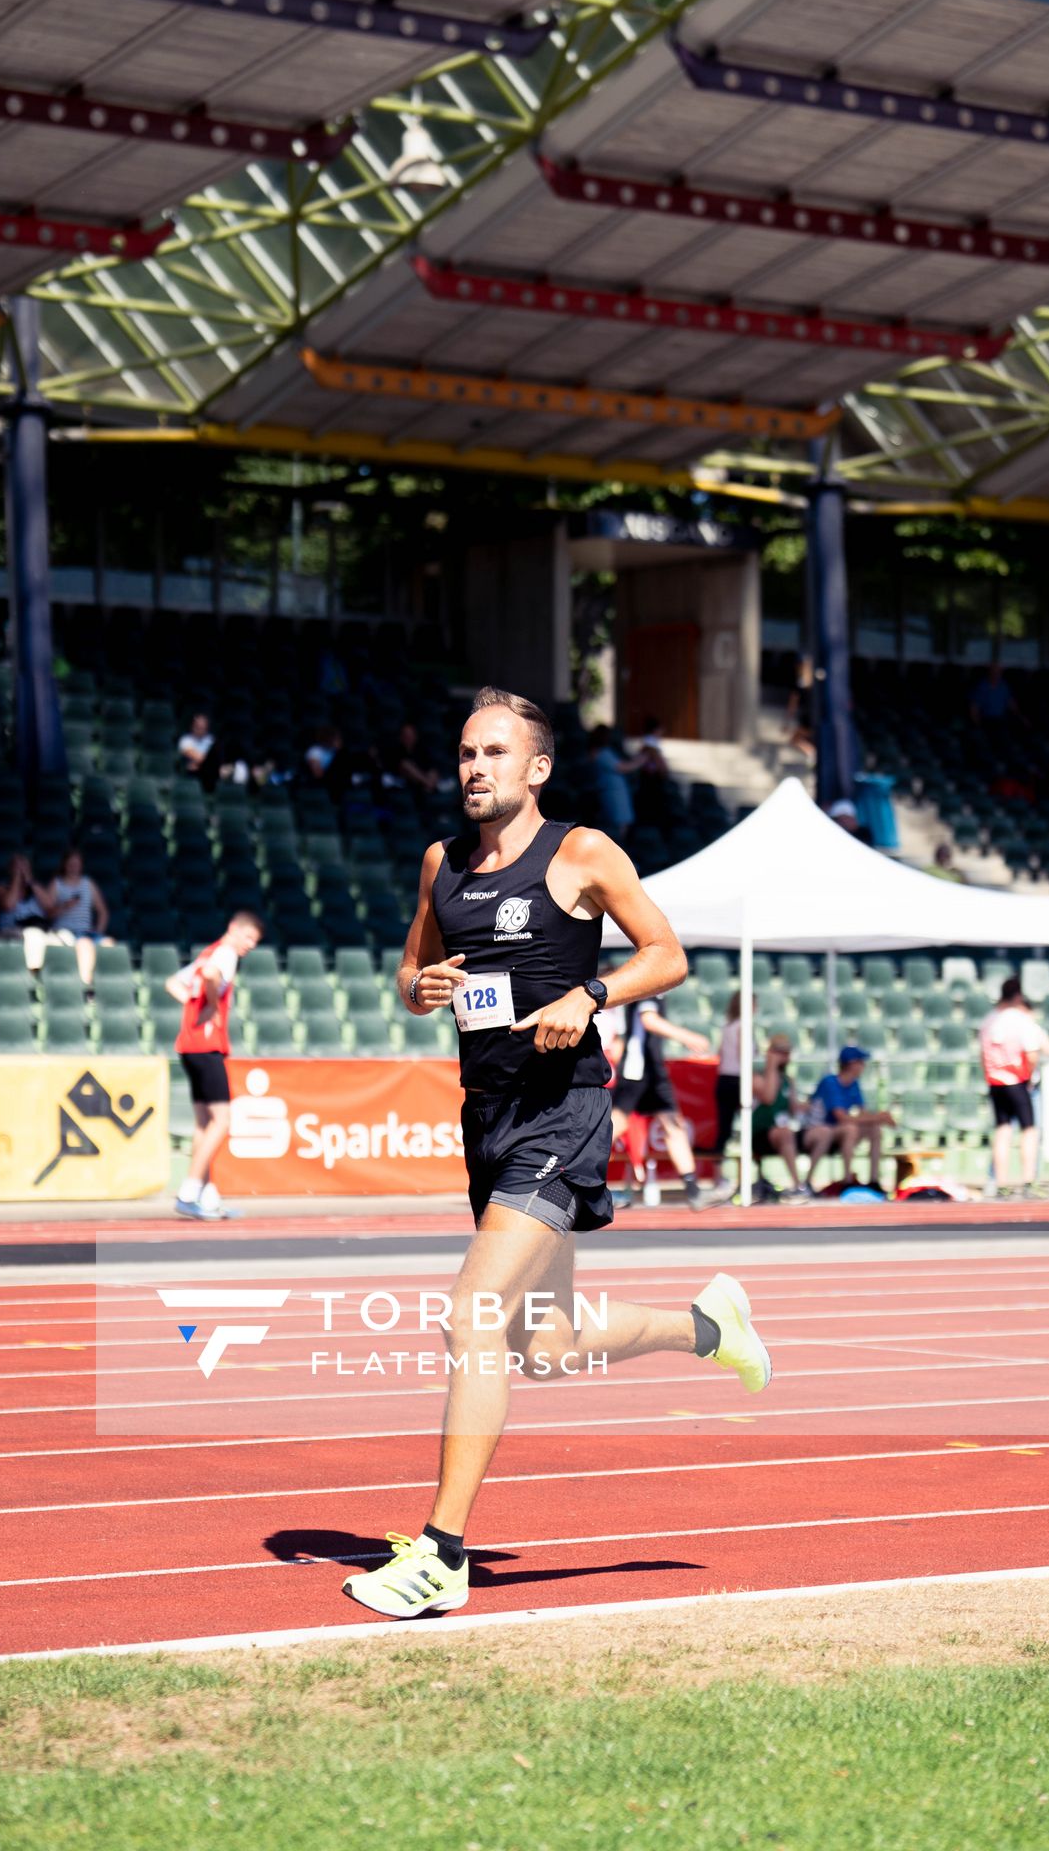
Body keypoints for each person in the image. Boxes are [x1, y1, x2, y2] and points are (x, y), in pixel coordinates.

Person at [342, 686, 772, 1620]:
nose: (473, 768)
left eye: (494, 753)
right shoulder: (440, 864)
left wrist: (592, 994)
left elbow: (667, 953)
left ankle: (442, 1555)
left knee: (472, 1319)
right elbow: (413, 972)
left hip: (562, 1110)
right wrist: (421, 988)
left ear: (535, 768)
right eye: (465, 752)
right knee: (545, 1343)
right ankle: (712, 1327)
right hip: (487, 1117)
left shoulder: (578, 853)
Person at [167, 910, 264, 1220]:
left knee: (203, 1124)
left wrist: (194, 1005)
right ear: (234, 930)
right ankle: (189, 1191)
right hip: (207, 1046)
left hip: (189, 1044)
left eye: (255, 941)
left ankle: (208, 1196)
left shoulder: (208, 952)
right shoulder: (225, 954)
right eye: (248, 937)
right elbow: (210, 975)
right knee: (222, 1121)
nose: (250, 945)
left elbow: (174, 983)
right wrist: (211, 1005)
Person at [608, 996, 711, 1209]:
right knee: (614, 1126)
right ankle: (575, 1174)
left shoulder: (657, 993)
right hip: (637, 1070)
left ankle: (694, 1192)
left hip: (654, 1072)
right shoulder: (649, 991)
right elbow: (649, 1020)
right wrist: (687, 1037)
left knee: (674, 1125)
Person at [980, 975, 1049, 1201]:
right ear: (1018, 996)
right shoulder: (1020, 1020)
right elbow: (1032, 1052)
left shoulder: (989, 1020)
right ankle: (1028, 1181)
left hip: (996, 1082)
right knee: (1029, 1131)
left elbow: (982, 1053)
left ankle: (1000, 1183)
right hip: (1017, 1081)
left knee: (1002, 1130)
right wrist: (1028, 1075)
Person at [804, 1046, 895, 1192]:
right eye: (861, 1062)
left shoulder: (854, 1084)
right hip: (818, 1130)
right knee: (850, 1129)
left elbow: (863, 1114)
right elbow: (840, 1117)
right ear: (852, 1063)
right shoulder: (830, 1082)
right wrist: (879, 1117)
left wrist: (879, 1119)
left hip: (835, 1129)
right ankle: (847, 1181)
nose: (864, 1066)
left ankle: (873, 1181)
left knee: (874, 1128)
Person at [751, 1034, 816, 1199]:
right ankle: (797, 1184)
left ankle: (808, 1181)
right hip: (760, 1134)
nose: (785, 1057)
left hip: (782, 1133)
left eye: (787, 1053)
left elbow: (793, 1109)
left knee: (822, 1133)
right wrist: (771, 1066)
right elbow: (769, 1097)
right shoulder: (757, 1078)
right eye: (781, 1052)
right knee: (785, 1133)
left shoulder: (788, 1080)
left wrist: (810, 1105)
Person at [48, 848, 113, 986]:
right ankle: (86, 987)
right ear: (64, 865)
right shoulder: (56, 884)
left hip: (87, 932)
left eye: (76, 864)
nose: (73, 868)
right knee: (84, 945)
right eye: (71, 864)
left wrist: (98, 931)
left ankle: (109, 986)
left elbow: (103, 912)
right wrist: (65, 906)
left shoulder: (88, 884)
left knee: (109, 943)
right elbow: (48, 912)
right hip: (65, 933)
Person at [0, 853, 58, 973]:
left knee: (59, 937)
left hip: (39, 928)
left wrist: (30, 881)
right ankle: (32, 976)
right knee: (33, 935)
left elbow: (50, 906)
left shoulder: (36, 889)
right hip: (10, 930)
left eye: (24, 867)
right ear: (10, 869)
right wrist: (17, 878)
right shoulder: (2, 887)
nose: (22, 870)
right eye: (17, 867)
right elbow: (8, 905)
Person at [715, 990, 753, 1158]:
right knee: (747, 1125)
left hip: (724, 1078)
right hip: (738, 1080)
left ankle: (718, 1173)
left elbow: (721, 1052)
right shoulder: (741, 1026)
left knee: (724, 1129)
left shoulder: (728, 1026)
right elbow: (743, 1055)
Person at [587, 725, 636, 846]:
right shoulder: (601, 753)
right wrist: (641, 760)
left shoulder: (604, 752)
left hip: (616, 792)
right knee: (617, 830)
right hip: (612, 794)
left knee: (621, 828)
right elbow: (621, 767)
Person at [178, 711, 217, 789]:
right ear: (192, 726)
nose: (200, 730)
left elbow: (216, 758)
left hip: (210, 774)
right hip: (192, 776)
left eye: (203, 728)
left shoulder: (211, 740)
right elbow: (199, 758)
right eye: (198, 727)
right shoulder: (185, 740)